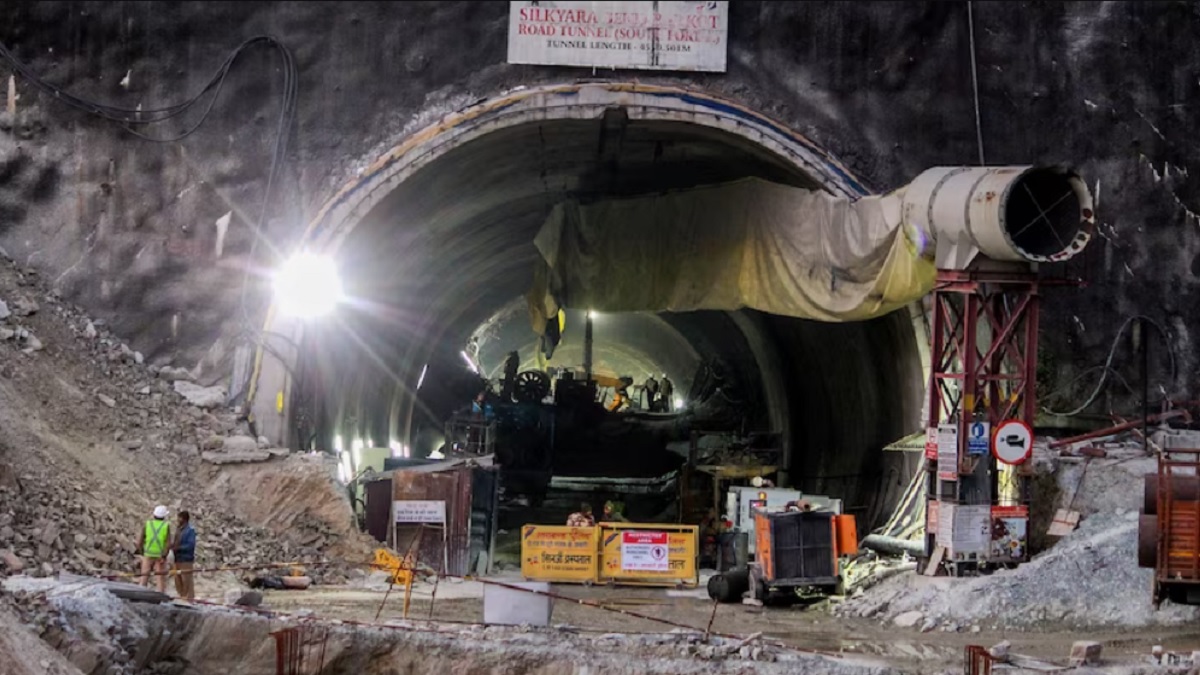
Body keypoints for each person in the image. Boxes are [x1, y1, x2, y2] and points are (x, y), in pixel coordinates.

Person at [137, 505, 172, 593]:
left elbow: (139, 541)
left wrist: (142, 552)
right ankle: (160, 596)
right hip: (159, 556)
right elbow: (168, 544)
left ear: (154, 515)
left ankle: (140, 593)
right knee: (160, 578)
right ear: (164, 516)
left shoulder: (148, 524)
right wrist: (164, 556)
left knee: (144, 576)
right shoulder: (165, 526)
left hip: (148, 554)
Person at [171, 510, 196, 602]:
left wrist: (179, 548)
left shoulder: (190, 530)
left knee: (187, 581)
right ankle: (181, 597)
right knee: (178, 579)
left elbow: (190, 545)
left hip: (186, 559)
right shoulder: (179, 529)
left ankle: (189, 600)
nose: (177, 519)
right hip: (177, 559)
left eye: (179, 517)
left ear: (184, 519)